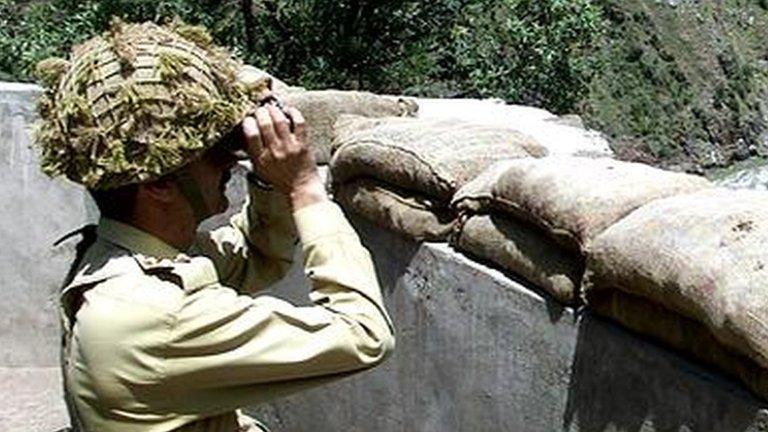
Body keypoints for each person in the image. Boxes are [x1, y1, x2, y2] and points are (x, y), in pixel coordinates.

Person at [35, 19, 395, 431]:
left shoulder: (123, 257)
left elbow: (254, 254)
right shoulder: (154, 314)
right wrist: (304, 188)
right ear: (158, 185)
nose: (229, 159)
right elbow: (364, 336)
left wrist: (266, 179)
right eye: (211, 151)